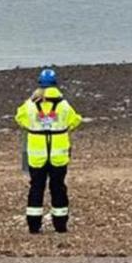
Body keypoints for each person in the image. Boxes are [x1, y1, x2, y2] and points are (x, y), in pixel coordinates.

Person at [14, 68, 82, 233]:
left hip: (37, 154)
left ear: (39, 84)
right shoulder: (63, 105)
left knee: (36, 187)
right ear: (55, 83)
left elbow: (19, 119)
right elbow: (75, 120)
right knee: (58, 186)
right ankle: (60, 225)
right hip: (58, 153)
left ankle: (34, 225)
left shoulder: (30, 105)